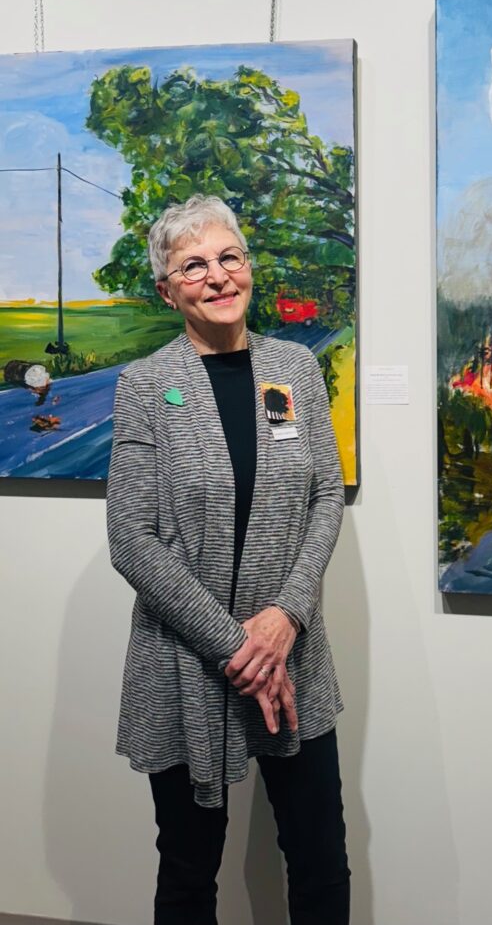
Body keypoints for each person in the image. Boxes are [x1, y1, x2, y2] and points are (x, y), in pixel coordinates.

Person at [106, 193, 350, 924]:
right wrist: (237, 644)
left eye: (228, 257)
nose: (216, 276)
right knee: (187, 870)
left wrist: (285, 618)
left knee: (318, 858)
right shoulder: (146, 385)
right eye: (193, 265)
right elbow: (131, 538)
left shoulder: (295, 369)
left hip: (293, 655)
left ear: (249, 267)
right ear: (167, 288)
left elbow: (326, 496)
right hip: (185, 663)